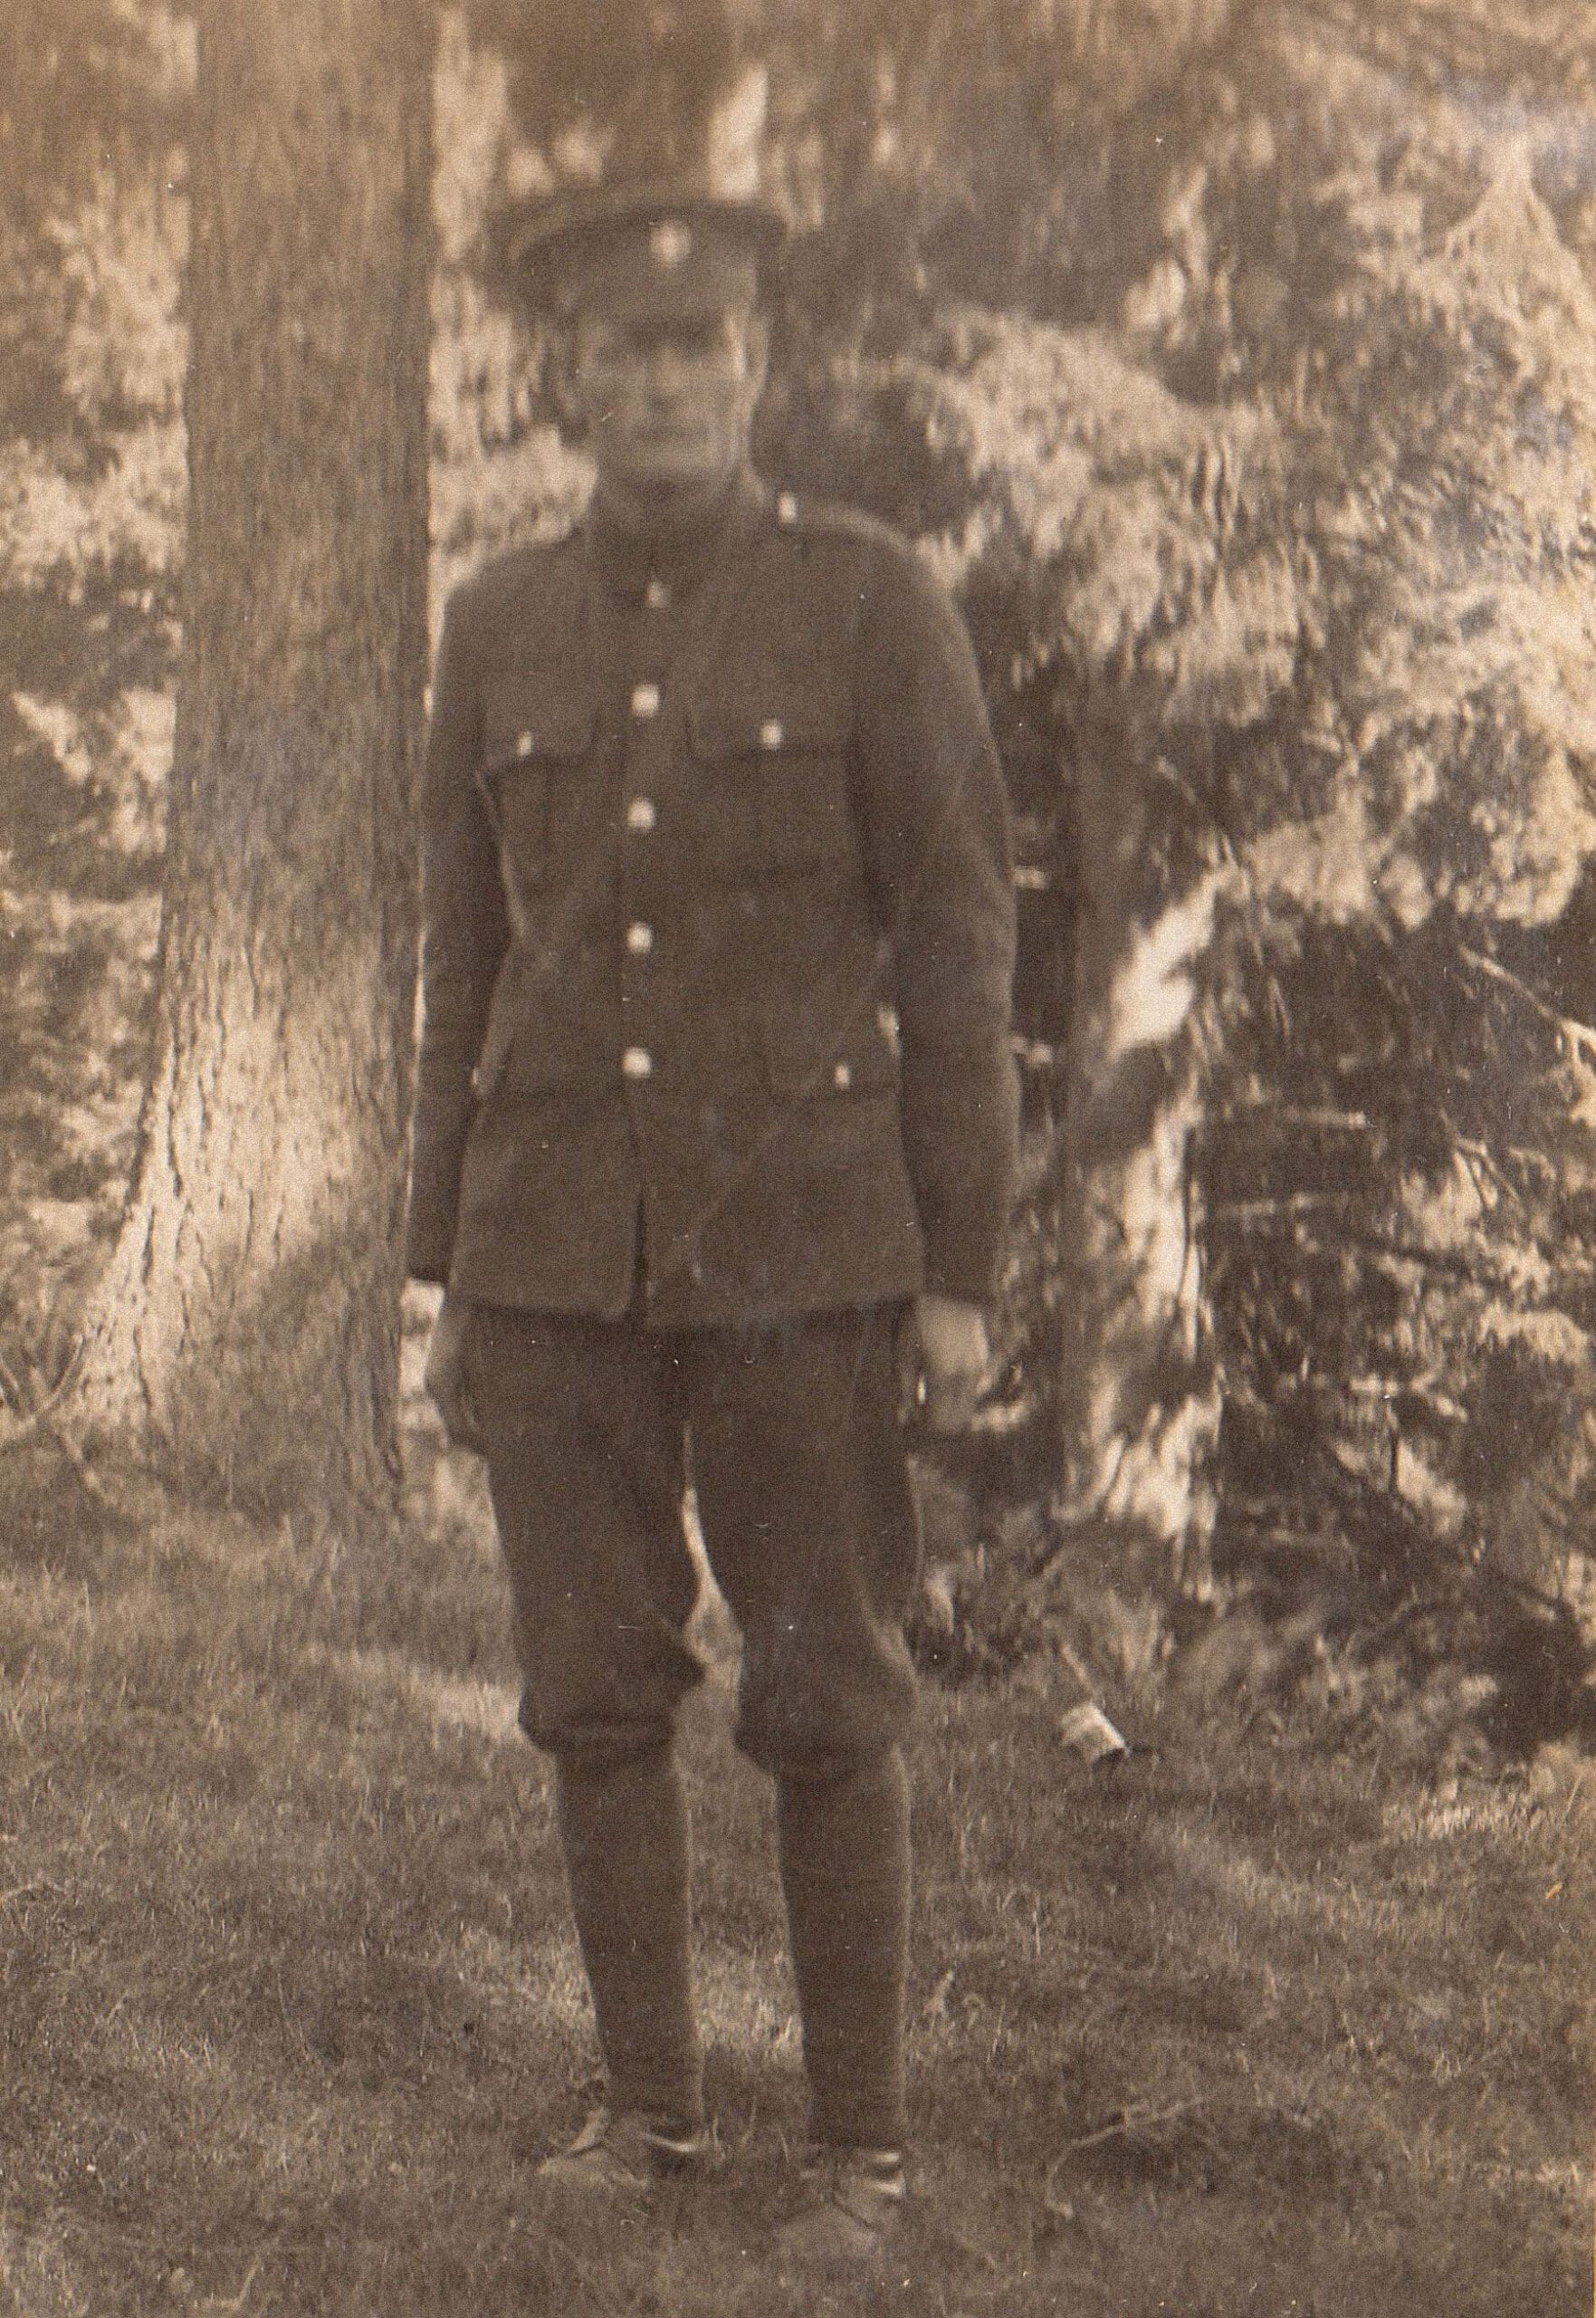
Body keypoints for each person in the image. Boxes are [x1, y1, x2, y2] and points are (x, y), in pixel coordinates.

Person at [406, 161, 1018, 2275]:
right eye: (623, 351)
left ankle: (863, 2159)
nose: (662, 381)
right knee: (590, 1685)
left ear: (754, 365)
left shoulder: (872, 602)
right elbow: (457, 966)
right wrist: (438, 1268)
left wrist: (961, 1270)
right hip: (554, 1240)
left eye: (703, 345)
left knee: (829, 1681)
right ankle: (649, 2109)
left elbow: (957, 940)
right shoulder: (493, 623)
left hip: (807, 1250)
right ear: (568, 377)